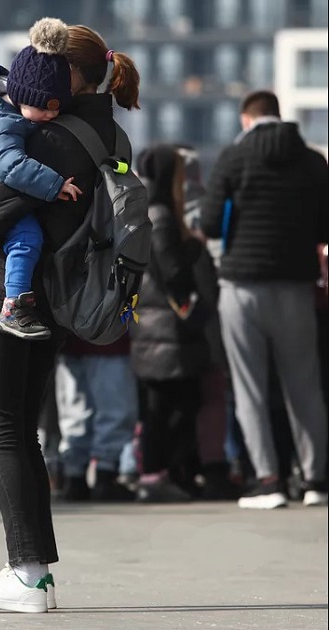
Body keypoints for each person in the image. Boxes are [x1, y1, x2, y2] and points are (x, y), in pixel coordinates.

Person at [0, 25, 141, 613]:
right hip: (61, 295)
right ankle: (30, 569)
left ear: (74, 76)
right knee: (24, 428)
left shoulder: (54, 138)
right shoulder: (111, 132)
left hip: (11, 293)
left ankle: (29, 575)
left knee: (3, 428)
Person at [200, 90, 329, 509]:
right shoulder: (313, 161)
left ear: (246, 119)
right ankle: (315, 481)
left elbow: (209, 224)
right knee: (305, 386)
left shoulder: (233, 159)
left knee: (250, 387)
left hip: (241, 285)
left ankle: (268, 482)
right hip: (296, 286)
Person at [0, 18, 83, 341]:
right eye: (46, 108)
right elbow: (10, 167)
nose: (51, 116)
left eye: (57, 109)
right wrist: (55, 185)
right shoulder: (3, 123)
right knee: (26, 238)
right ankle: (13, 307)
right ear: (22, 95)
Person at [129, 145, 215, 503]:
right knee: (172, 406)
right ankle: (160, 474)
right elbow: (173, 271)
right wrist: (195, 247)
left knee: (161, 406)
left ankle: (157, 473)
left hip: (151, 325)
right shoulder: (161, 214)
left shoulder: (142, 208)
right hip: (166, 328)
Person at [54, 336, 138, 502]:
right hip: (108, 333)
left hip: (69, 333)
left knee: (75, 409)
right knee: (114, 407)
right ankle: (104, 475)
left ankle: (76, 476)